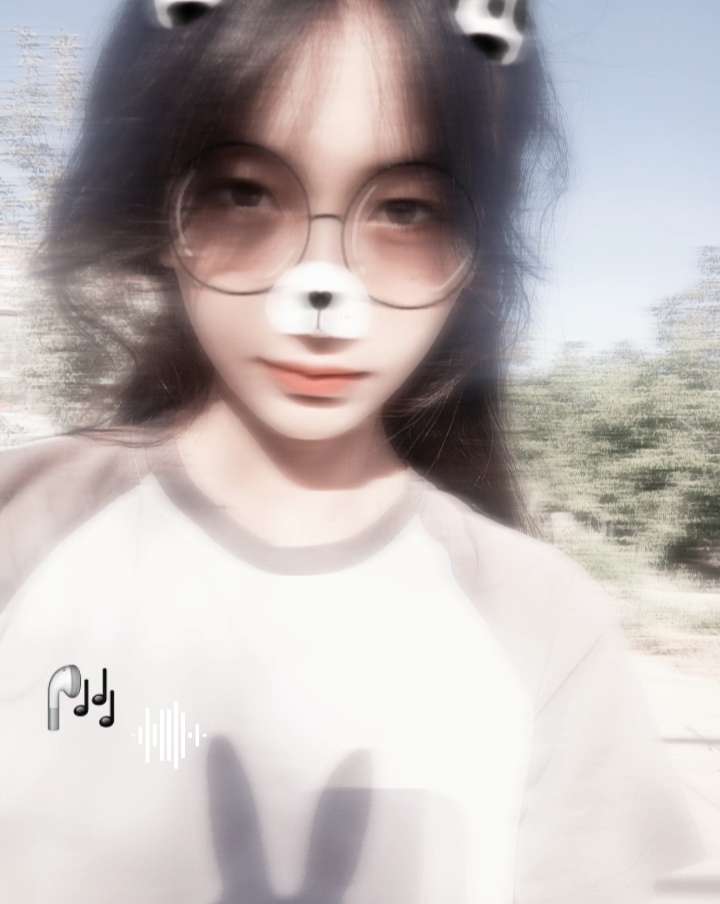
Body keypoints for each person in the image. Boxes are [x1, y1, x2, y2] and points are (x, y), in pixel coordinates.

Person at [0, 0, 708, 901]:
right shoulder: (24, 523)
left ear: (476, 251)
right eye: (245, 192)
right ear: (160, 208)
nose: (322, 293)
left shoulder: (544, 623)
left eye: (406, 210)